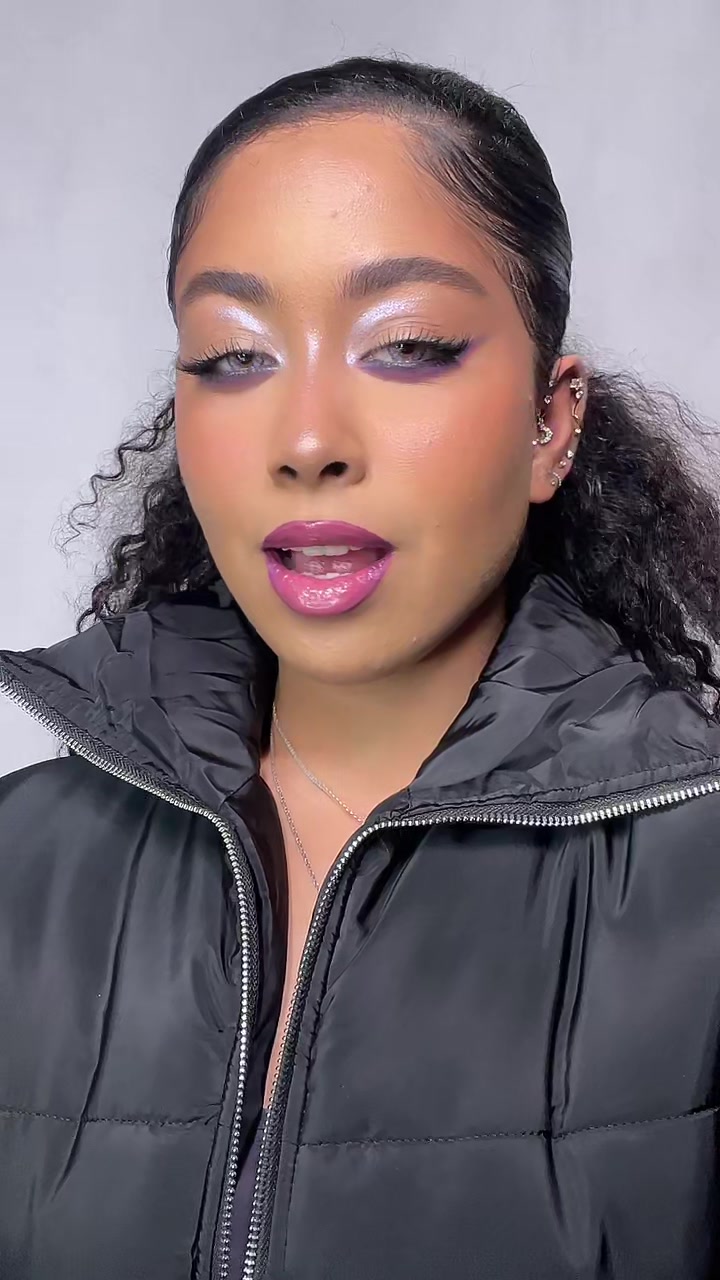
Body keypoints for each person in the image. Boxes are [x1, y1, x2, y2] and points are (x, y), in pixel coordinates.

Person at [2, 52, 720, 1280]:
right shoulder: (23, 861)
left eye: (408, 344)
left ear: (550, 423)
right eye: (234, 356)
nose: (308, 439)